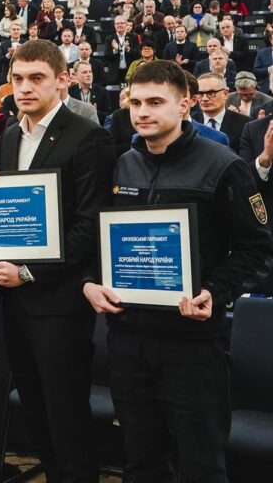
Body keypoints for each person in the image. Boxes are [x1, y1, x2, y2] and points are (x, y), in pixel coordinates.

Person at [83, 60, 273, 482]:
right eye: (135, 103)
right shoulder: (121, 166)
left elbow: (256, 247)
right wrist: (90, 283)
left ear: (185, 104)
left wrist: (215, 291)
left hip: (192, 342)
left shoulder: (225, 166)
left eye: (155, 102)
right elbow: (101, 244)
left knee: (200, 463)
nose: (142, 112)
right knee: (140, 459)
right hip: (128, 338)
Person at [0, 40, 114, 483]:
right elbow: (16, 215)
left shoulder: (89, 136)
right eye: (17, 79)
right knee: (36, 414)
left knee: (66, 418)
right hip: (14, 305)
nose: (25, 88)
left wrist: (28, 272)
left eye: (37, 78)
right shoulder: (11, 135)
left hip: (60, 305)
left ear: (62, 80)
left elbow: (89, 226)